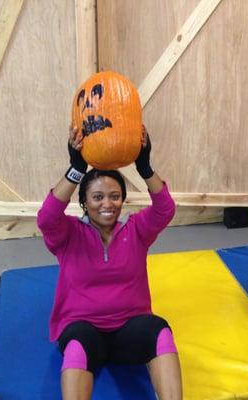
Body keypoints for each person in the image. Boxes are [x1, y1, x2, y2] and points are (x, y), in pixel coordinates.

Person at [37, 125, 182, 400]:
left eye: (115, 196)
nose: (108, 204)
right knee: (78, 343)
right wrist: (75, 169)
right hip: (83, 328)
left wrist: (145, 166)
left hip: (129, 328)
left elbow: (165, 209)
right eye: (98, 197)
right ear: (84, 202)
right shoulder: (68, 233)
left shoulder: (137, 229)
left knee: (160, 331)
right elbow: (46, 217)